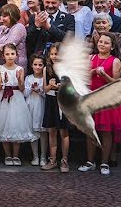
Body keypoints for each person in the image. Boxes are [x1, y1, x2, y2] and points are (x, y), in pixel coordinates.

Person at [77, 33, 121, 176]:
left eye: (106, 43)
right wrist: (93, 72)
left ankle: (104, 162)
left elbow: (117, 83)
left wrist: (105, 76)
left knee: (106, 132)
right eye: (100, 41)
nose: (102, 44)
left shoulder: (115, 61)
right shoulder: (91, 58)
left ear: (112, 46)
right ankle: (90, 161)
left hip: (107, 100)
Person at [0, 44, 33, 166]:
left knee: (16, 125)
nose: (10, 56)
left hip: (17, 98)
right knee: (3, 125)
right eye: (7, 54)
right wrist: (4, 81)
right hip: (4, 98)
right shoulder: (0, 68)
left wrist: (20, 80)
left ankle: (15, 156)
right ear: (3, 55)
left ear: (16, 55)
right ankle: (7, 155)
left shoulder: (20, 69)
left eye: (12, 54)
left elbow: (22, 88)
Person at [41, 42, 72, 173]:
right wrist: (50, 85)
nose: (54, 56)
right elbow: (44, 88)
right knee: (52, 131)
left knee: (64, 132)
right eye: (52, 54)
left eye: (57, 54)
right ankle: (52, 159)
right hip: (50, 100)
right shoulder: (46, 69)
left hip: (63, 101)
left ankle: (64, 160)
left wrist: (62, 86)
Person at [0, 3, 28, 67]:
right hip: (0, 65)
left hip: (16, 66)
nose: (2, 19)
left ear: (12, 16)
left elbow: (7, 47)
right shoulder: (2, 27)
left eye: (4, 16)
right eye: (1, 16)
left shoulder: (19, 27)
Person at [24, 53, 47, 166]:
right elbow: (24, 93)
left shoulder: (45, 78)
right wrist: (31, 89)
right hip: (31, 106)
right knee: (33, 132)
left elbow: (47, 94)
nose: (38, 67)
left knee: (42, 132)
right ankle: (35, 156)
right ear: (31, 65)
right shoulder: (28, 78)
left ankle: (43, 157)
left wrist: (40, 91)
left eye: (40, 65)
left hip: (41, 106)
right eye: (35, 65)